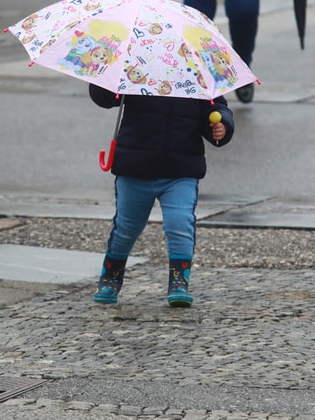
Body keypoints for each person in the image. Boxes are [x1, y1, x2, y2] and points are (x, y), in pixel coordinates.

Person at [89, 84, 235, 307]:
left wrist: (221, 125)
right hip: (135, 168)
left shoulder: (195, 76)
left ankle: (179, 280)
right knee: (127, 227)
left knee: (180, 223)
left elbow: (217, 108)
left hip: (181, 171)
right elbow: (106, 99)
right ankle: (111, 275)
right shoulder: (135, 70)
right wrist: (106, 80)